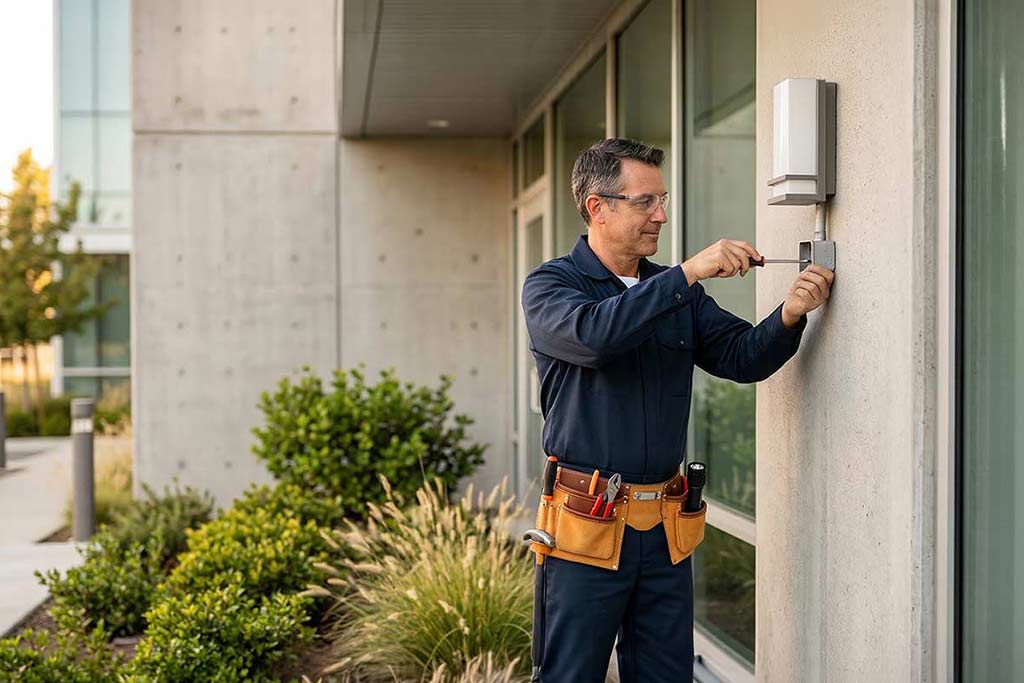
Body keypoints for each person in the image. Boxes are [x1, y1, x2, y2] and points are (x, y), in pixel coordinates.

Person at [520, 138, 834, 682]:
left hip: (664, 528)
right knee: (570, 675)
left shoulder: (674, 293)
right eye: (645, 202)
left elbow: (742, 356)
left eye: (661, 200)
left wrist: (791, 312)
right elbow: (597, 337)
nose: (660, 215)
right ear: (598, 207)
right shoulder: (552, 285)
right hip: (584, 528)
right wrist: (687, 273)